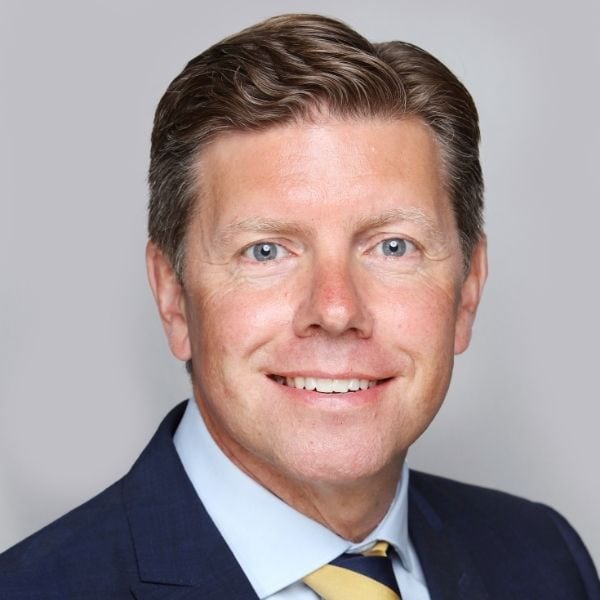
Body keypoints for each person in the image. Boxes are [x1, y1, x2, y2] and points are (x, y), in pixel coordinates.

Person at [1, 13, 598, 599]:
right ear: (173, 298)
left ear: (467, 291)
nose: (335, 310)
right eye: (265, 251)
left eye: (393, 246)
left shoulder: (547, 560)